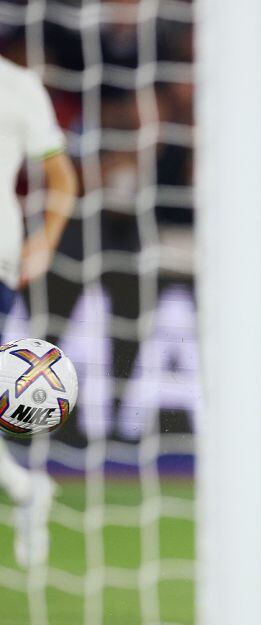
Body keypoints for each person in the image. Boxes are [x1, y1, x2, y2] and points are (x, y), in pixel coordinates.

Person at [0, 53, 78, 568]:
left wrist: (46, 240)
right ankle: (27, 490)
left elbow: (62, 179)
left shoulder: (16, 85)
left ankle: (28, 491)